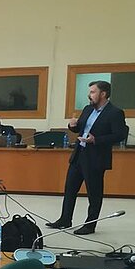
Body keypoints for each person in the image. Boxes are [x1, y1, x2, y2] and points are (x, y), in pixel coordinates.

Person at [47, 81, 127, 235]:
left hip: (96, 157)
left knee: (94, 194)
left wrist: (96, 140)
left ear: (103, 94)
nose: (89, 95)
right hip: (79, 154)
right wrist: (72, 126)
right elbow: (79, 128)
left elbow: (120, 135)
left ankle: (90, 225)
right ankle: (65, 219)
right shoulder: (87, 109)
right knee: (70, 189)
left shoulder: (115, 112)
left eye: (92, 92)